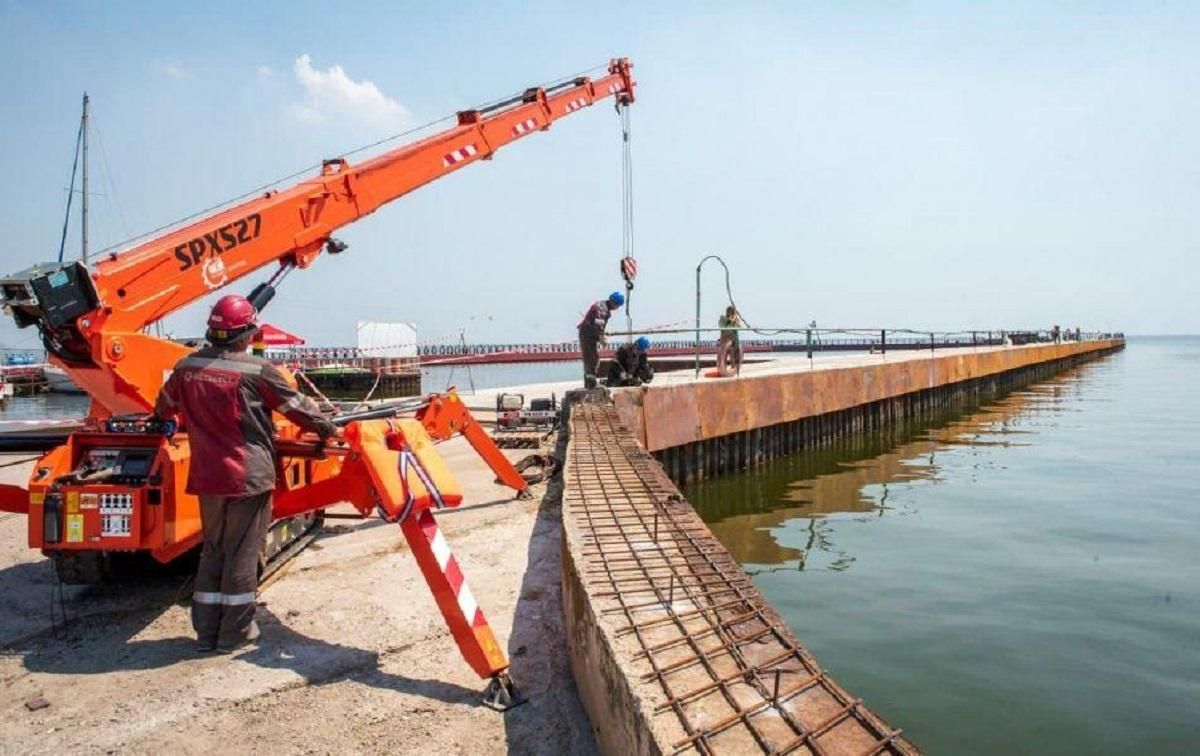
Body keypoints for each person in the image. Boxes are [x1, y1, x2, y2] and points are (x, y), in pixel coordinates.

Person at [154, 294, 338, 653]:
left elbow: (163, 407)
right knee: (242, 553)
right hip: (247, 475)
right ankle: (234, 635)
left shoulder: (185, 368)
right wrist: (330, 428)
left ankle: (206, 633)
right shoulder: (259, 372)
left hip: (207, 476)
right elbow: (302, 411)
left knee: (215, 549)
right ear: (248, 332)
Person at [577, 291, 624, 388]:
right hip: (587, 335)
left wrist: (601, 333)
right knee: (591, 358)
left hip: (590, 334)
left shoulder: (604, 307)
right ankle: (590, 383)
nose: (616, 308)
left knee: (593, 358)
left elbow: (598, 325)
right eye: (617, 305)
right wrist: (602, 337)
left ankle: (590, 381)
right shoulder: (602, 308)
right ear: (614, 303)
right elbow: (598, 324)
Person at [717, 305, 743, 376]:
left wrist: (734, 320)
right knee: (723, 355)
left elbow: (739, 326)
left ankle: (733, 369)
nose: (730, 313)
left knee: (732, 355)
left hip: (732, 340)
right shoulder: (723, 318)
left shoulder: (735, 320)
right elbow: (721, 325)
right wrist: (730, 320)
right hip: (725, 339)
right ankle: (723, 369)